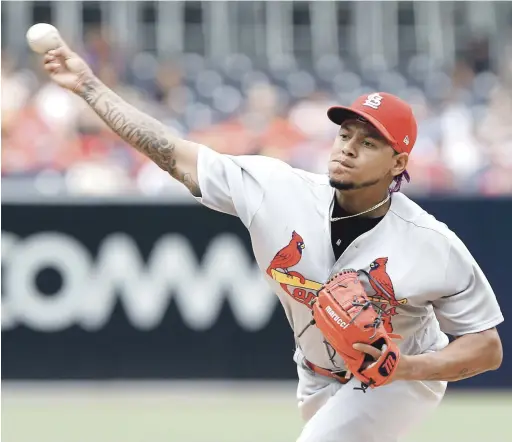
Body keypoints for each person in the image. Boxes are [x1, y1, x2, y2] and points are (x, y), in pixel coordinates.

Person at [42, 43, 504, 442]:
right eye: (345, 134)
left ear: (398, 160)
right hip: (315, 373)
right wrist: (87, 85)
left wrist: (405, 366)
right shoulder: (276, 189)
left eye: (368, 143)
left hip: (401, 377)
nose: (347, 147)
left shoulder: (430, 243)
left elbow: (487, 347)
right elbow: (170, 151)